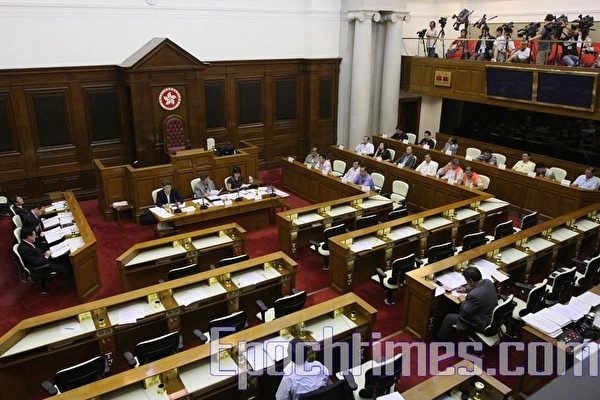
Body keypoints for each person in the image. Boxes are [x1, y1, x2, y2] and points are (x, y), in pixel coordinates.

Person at [436, 267, 498, 340]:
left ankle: (440, 339)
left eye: (466, 281)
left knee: (448, 318)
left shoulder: (474, 295)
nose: (467, 282)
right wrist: (465, 289)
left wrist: (463, 300)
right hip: (490, 316)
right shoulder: (488, 282)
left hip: (480, 323)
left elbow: (464, 312)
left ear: (470, 281)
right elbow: (478, 286)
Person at [18, 226, 74, 293]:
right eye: (34, 235)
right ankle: (72, 286)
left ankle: (73, 278)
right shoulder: (24, 249)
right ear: (29, 237)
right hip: (41, 267)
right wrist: (46, 256)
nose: (36, 237)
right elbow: (35, 263)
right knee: (63, 268)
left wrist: (45, 253)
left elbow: (37, 252)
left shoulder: (28, 242)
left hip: (43, 259)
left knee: (65, 258)